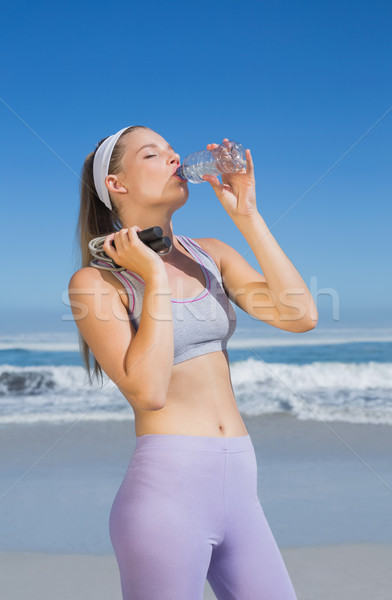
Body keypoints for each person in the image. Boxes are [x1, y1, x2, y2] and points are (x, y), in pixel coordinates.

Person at [68, 125, 318, 600]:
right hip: (167, 497)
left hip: (242, 488)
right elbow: (148, 391)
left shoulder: (212, 254)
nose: (174, 157)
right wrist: (154, 278)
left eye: (171, 149)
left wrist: (247, 216)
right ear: (116, 184)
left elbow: (299, 315)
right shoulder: (95, 284)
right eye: (152, 153)